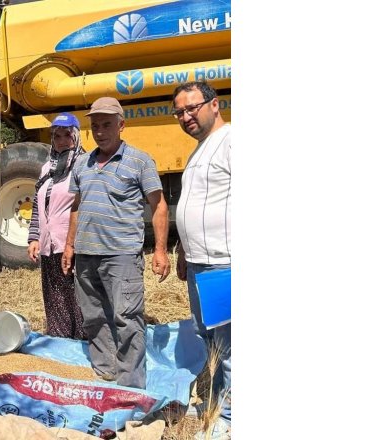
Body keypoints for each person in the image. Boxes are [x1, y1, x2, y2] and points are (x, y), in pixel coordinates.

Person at [61, 96, 171, 389]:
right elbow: (76, 206)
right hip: (86, 255)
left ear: (121, 125)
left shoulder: (140, 160)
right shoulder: (82, 163)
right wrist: (70, 246)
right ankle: (105, 371)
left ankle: (131, 385)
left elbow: (159, 206)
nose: (100, 130)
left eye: (107, 124)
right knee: (94, 315)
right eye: (95, 125)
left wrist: (160, 250)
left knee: (126, 318)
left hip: (121, 255)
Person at [171, 81, 231, 435]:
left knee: (230, 347)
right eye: (179, 111)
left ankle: (229, 422)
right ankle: (223, 402)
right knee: (213, 341)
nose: (186, 116)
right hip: (199, 264)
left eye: (192, 107)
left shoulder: (231, 141)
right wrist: (183, 251)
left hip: (222, 264)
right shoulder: (199, 149)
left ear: (215, 104)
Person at [27, 112, 87, 340]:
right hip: (49, 245)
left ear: (76, 136)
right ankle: (61, 341)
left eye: (67, 135)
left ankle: (83, 343)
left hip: (73, 244)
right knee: (55, 296)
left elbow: (85, 205)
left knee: (77, 296)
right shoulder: (47, 169)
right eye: (57, 136)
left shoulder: (83, 165)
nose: (62, 141)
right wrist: (34, 238)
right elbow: (37, 205)